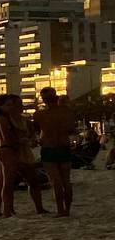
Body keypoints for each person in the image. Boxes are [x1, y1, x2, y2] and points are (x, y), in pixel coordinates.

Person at [0, 94, 43, 217]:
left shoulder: (13, 119)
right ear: (1, 106)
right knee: (6, 183)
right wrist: (22, 140)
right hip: (8, 149)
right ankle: (5, 210)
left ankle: (3, 210)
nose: (12, 107)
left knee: (6, 182)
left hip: (11, 150)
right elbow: (7, 138)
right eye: (9, 105)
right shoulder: (2, 119)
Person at [35, 86, 75, 217]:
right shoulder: (67, 112)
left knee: (56, 182)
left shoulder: (40, 114)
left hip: (49, 148)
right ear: (56, 96)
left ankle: (60, 210)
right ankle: (67, 210)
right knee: (66, 181)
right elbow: (71, 129)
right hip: (64, 146)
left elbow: (36, 131)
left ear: (43, 100)